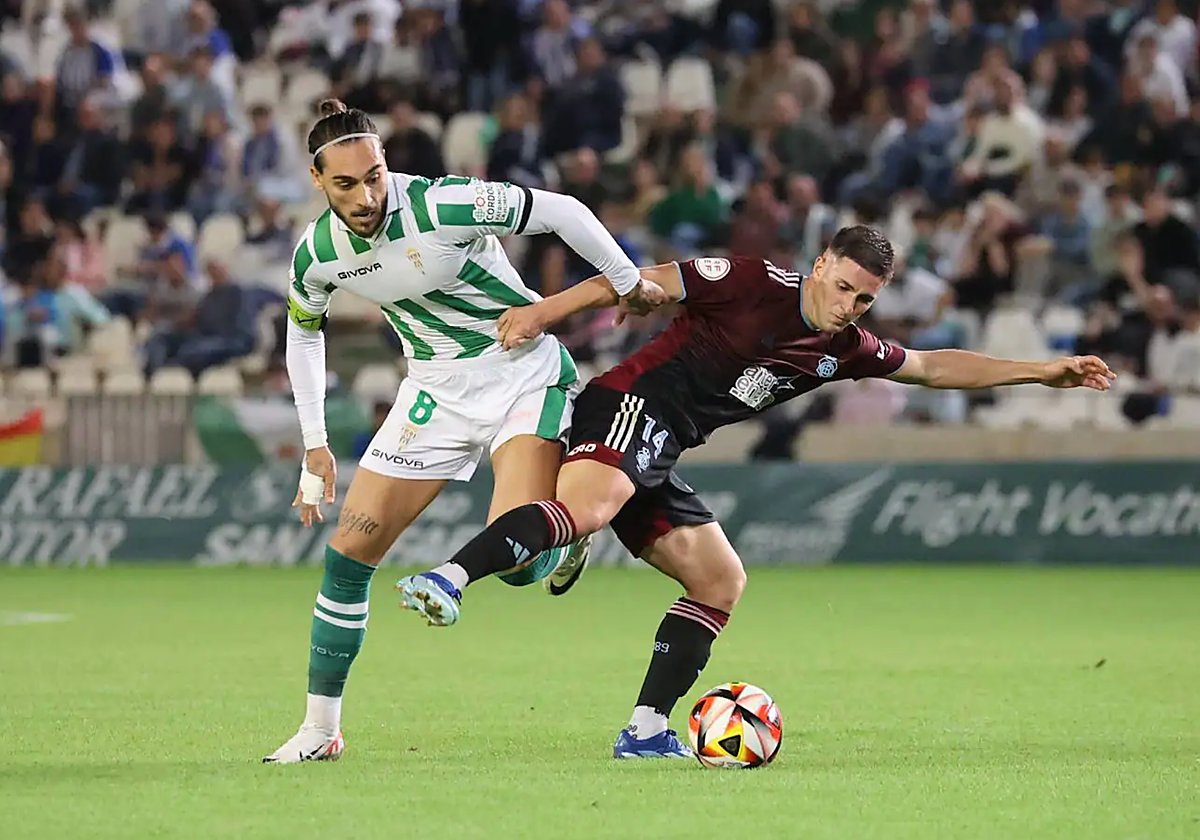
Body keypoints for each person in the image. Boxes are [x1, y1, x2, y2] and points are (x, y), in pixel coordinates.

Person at [395, 225, 1116, 759]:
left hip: (662, 448)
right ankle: (448, 577)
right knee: (589, 507)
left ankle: (645, 731)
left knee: (721, 581)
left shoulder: (845, 348)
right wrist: (546, 312)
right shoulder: (750, 281)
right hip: (630, 403)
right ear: (820, 264)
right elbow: (638, 278)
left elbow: (930, 367)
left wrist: (1040, 372)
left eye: (866, 299)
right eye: (843, 287)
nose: (850, 306)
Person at [264, 99, 665, 764]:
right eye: (346, 184)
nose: (366, 196)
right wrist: (315, 442)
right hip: (433, 392)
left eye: (375, 176)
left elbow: (563, 211)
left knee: (517, 564)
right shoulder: (317, 253)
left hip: (522, 375)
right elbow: (304, 333)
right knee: (347, 556)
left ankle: (564, 533)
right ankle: (320, 731)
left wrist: (627, 282)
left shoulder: (443, 203)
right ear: (317, 180)